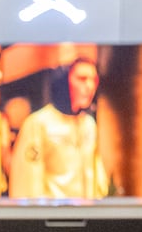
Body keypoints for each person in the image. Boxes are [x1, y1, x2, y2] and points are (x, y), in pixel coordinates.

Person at [9, 58, 111, 200]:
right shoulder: (39, 124)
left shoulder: (88, 124)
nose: (89, 86)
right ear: (64, 81)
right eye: (82, 79)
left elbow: (96, 175)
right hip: (53, 215)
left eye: (94, 80)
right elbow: (27, 182)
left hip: (84, 215)